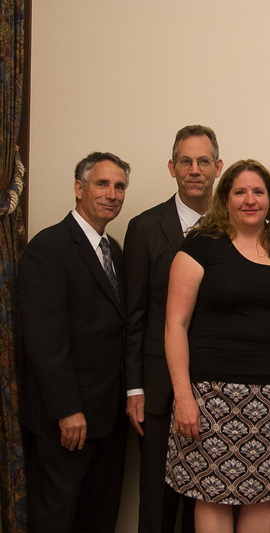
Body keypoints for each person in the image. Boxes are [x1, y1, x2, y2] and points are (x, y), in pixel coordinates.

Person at [164, 159, 270, 533]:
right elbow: (175, 325)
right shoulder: (201, 245)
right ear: (226, 199)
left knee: (265, 494)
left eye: (258, 192)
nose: (250, 200)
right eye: (240, 192)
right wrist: (183, 396)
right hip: (212, 397)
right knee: (211, 494)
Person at [19, 152, 130, 533]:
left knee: (98, 516)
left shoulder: (113, 250)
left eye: (119, 186)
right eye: (102, 184)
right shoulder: (48, 248)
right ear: (79, 189)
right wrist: (67, 410)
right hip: (68, 419)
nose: (112, 194)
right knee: (57, 517)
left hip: (108, 416)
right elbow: (44, 341)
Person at [124, 125, 223, 533]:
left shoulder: (235, 226)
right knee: (158, 499)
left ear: (218, 167)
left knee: (207, 497)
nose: (195, 170)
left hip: (217, 385)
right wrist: (135, 388)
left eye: (203, 161)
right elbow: (134, 315)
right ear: (172, 167)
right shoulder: (145, 227)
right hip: (160, 387)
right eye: (186, 161)